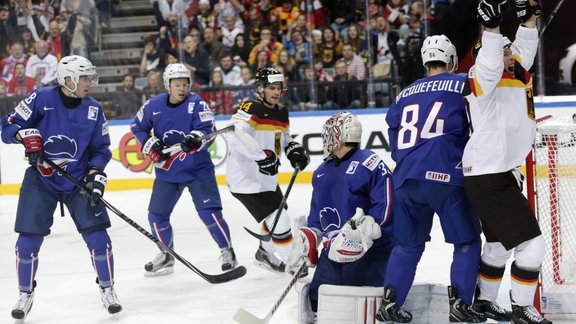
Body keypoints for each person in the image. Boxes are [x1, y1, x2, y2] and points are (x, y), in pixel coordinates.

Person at [0, 55, 121, 321]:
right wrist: (22, 135)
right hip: (41, 180)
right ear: (68, 79)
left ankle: (108, 288)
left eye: (90, 77)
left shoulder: (94, 109)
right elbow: (6, 127)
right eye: (85, 77)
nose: (90, 82)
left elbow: (101, 150)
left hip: (78, 182)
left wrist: (94, 173)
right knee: (27, 243)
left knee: (99, 239)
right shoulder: (41, 99)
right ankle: (25, 292)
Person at [376, 35, 484, 323]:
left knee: (407, 246)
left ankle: (390, 303)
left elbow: (395, 143)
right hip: (446, 177)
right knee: (467, 243)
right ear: (450, 59)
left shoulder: (403, 94)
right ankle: (461, 304)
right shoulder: (463, 83)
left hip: (406, 180)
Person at [464, 2, 551, 324]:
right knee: (532, 245)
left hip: (494, 172)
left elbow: (523, 53)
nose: (509, 56)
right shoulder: (483, 79)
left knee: (499, 245)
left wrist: (527, 22)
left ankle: (484, 302)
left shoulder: (512, 75)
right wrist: (492, 29)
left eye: (509, 51)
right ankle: (522, 308)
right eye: (504, 52)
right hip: (490, 174)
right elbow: (489, 61)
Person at [130, 63, 238, 276]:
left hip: (198, 170)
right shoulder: (154, 104)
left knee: (209, 214)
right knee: (156, 216)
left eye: (185, 84)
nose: (182, 89)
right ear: (167, 85)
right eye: (177, 84)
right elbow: (137, 127)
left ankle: (227, 251)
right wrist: (150, 144)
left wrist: (195, 139)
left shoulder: (197, 104)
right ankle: (167, 254)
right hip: (168, 171)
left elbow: (208, 131)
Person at [286, 111, 395, 321]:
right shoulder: (320, 172)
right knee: (319, 300)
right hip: (332, 254)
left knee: (360, 308)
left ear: (338, 135)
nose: (325, 138)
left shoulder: (369, 163)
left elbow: (387, 204)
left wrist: (367, 230)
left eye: (328, 133)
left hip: (369, 252)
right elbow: (318, 216)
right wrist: (310, 235)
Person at [225, 66, 310, 273]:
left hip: (266, 179)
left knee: (279, 215)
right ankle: (293, 262)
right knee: (280, 220)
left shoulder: (281, 112)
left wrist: (293, 150)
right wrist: (261, 156)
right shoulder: (250, 108)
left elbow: (284, 137)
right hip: (245, 180)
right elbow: (234, 134)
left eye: (278, 88)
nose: (275, 92)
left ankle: (265, 253)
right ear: (260, 89)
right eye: (271, 88)